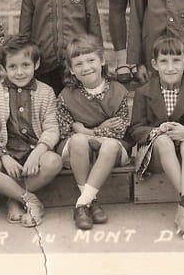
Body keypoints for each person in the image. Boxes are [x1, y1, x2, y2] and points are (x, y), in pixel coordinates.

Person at [0, 35, 62, 228]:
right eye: (13, 67)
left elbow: (51, 128)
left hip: (34, 153)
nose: (20, 72)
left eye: (25, 65)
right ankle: (29, 198)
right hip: (6, 153)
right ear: (3, 68)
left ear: (36, 64)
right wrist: (3, 155)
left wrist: (38, 153)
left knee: (54, 162)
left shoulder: (46, 92)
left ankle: (13, 198)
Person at [129, 36, 184, 234]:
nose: (170, 67)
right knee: (164, 141)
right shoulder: (143, 92)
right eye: (164, 62)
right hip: (156, 155)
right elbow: (135, 129)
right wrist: (157, 131)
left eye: (176, 61)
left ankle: (183, 209)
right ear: (154, 64)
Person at [56, 35, 131, 230]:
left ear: (102, 61)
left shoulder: (118, 91)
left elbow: (119, 130)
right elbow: (65, 131)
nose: (86, 67)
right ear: (71, 70)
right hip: (78, 152)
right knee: (78, 140)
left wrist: (88, 130)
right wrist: (96, 131)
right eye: (78, 64)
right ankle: (91, 201)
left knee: (109, 145)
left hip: (112, 150)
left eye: (91, 60)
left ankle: (82, 204)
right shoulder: (66, 96)